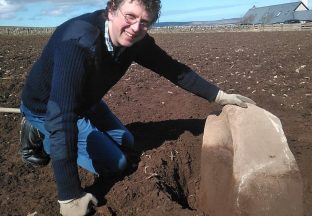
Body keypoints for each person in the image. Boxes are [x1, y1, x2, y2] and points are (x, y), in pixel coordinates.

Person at [19, 0, 256, 215]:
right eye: (130, 16)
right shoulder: (78, 43)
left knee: (127, 142)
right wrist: (69, 196)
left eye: (145, 22)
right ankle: (38, 131)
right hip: (50, 107)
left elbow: (173, 69)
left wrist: (220, 95)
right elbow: (62, 118)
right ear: (112, 9)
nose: (135, 27)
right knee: (116, 164)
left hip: (87, 101)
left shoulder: (136, 41)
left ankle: (74, 130)